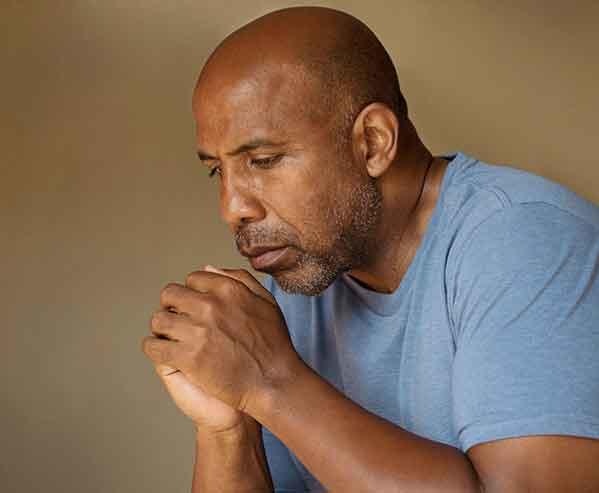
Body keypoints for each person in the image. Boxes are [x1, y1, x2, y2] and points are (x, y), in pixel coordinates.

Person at [141, 6, 599, 492]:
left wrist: (271, 381)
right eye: (217, 170)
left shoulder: (525, 240)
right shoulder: (306, 273)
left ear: (374, 142)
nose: (232, 208)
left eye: (264, 160)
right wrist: (227, 429)